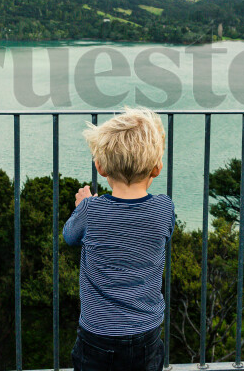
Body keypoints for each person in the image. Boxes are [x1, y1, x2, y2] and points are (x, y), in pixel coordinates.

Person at [63, 106, 175, 371]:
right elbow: (163, 232)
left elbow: (70, 236)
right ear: (157, 168)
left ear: (100, 167)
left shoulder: (91, 211)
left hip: (97, 336)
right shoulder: (164, 208)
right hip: (146, 333)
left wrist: (83, 206)